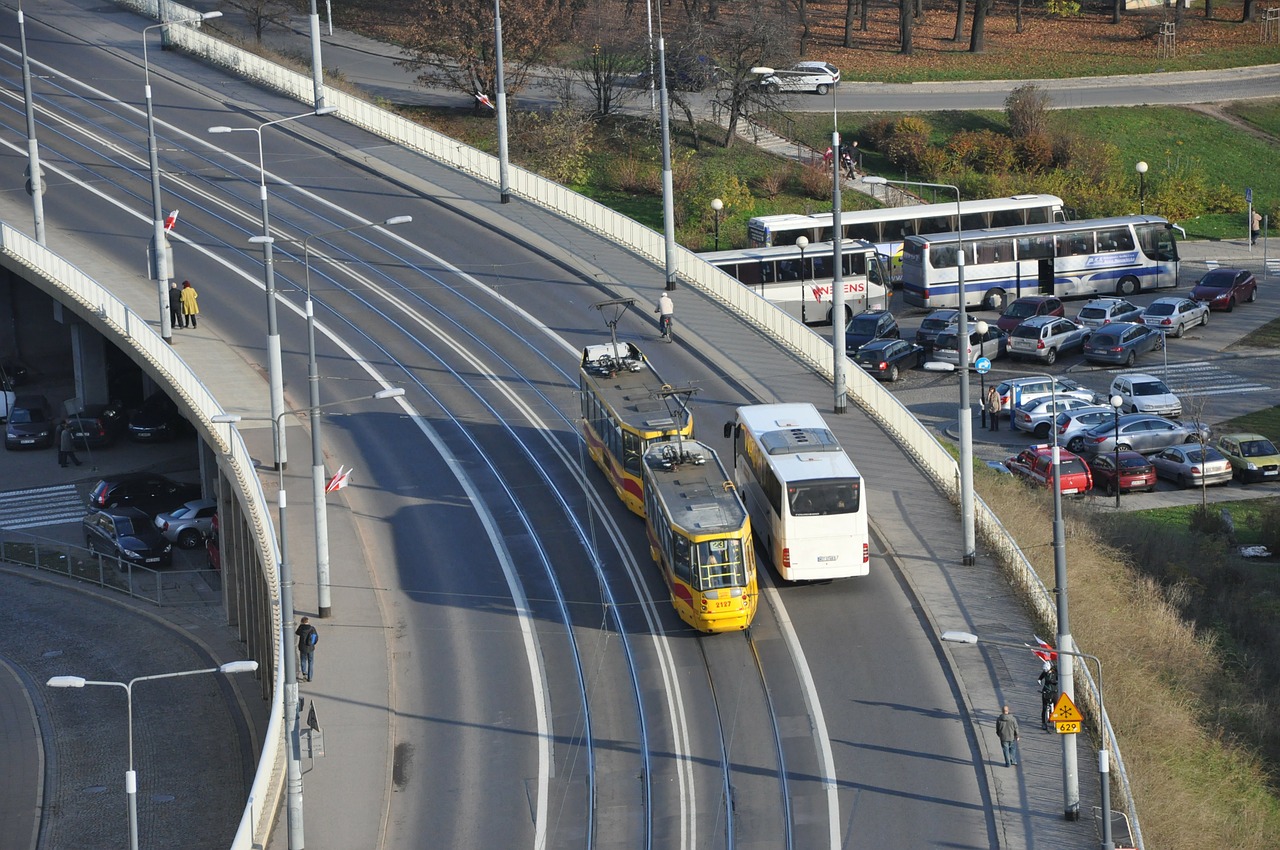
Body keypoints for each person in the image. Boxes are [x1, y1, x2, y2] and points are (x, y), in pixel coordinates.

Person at [1038, 662, 1059, 731]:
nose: (1045, 671)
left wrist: (1055, 681)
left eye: (1046, 670)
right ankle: (1043, 723)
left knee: (1056, 707)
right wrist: (1039, 680)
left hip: (1054, 691)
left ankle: (1057, 721)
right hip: (1046, 691)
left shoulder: (1055, 673)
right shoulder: (1044, 673)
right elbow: (1040, 678)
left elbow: (1058, 679)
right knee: (1044, 707)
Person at [296, 616, 318, 682]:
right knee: (310, 662)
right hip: (310, 648)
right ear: (308, 621)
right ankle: (310, 677)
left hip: (303, 648)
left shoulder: (301, 628)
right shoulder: (312, 628)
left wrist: (300, 625)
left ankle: (304, 673)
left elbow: (297, 633)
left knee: (303, 660)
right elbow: (316, 637)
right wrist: (313, 644)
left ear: (302, 622)